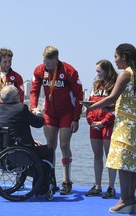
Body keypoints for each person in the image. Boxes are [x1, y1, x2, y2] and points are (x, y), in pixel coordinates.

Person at [82, 43, 136, 214]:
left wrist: (92, 106)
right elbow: (123, 101)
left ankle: (124, 200)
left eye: (116, 57)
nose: (115, 61)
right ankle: (131, 200)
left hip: (125, 124)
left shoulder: (125, 74)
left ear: (124, 57)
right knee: (132, 161)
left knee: (123, 162)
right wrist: (109, 108)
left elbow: (112, 97)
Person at [30, 45, 83, 195]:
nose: (45, 64)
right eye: (44, 61)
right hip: (49, 113)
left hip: (67, 112)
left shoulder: (69, 71)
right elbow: (34, 90)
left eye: (48, 62)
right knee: (50, 146)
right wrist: (33, 107)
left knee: (64, 144)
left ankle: (67, 180)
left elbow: (79, 96)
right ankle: (50, 179)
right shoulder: (39, 71)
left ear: (56, 59)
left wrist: (76, 118)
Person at [0, 85, 54, 192]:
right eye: (18, 95)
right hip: (20, 152)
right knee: (48, 150)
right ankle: (42, 187)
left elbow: (12, 131)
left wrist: (31, 140)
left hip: (3, 152)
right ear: (15, 98)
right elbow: (39, 123)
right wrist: (38, 113)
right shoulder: (21, 108)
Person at [84, 60, 118, 198]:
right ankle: (97, 186)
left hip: (108, 125)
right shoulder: (96, 85)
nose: (97, 74)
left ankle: (111, 187)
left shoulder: (115, 86)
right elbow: (90, 105)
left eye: (99, 71)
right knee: (97, 156)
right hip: (94, 125)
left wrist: (103, 122)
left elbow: (114, 108)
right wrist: (91, 121)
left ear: (107, 71)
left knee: (109, 156)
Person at [0, 48, 24, 123]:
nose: (8, 64)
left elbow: (21, 97)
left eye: (10, 61)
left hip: (13, 117)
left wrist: (15, 112)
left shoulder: (17, 78)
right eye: (5, 62)